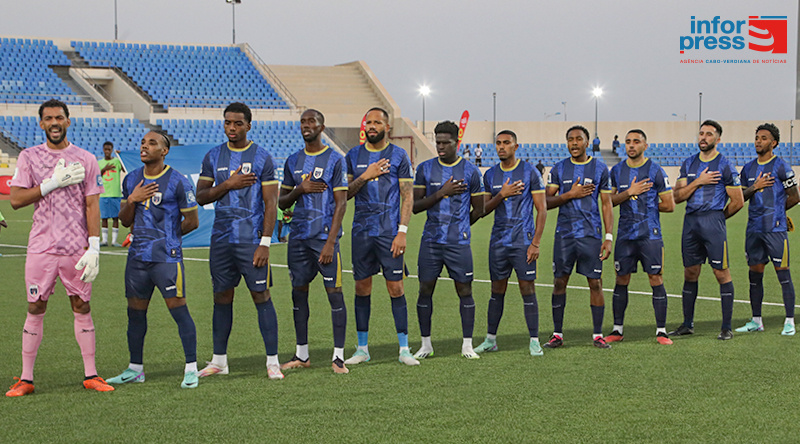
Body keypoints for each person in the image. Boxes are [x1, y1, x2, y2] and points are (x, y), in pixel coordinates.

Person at [6, 99, 113, 397]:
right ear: (41, 124)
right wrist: (51, 183)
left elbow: (92, 204)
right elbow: (15, 200)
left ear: (68, 121)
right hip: (41, 247)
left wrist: (94, 246)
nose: (54, 122)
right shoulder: (29, 157)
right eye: (49, 118)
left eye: (59, 118)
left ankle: (91, 374)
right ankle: (26, 379)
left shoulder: (86, 159)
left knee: (82, 306)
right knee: (36, 306)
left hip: (76, 248)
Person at [193, 102, 283, 380]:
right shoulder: (213, 156)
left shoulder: (262, 158)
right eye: (228, 123)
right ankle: (219, 360)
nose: (232, 128)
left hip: (251, 240)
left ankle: (273, 361)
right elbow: (201, 196)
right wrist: (228, 185)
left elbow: (271, 204)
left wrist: (265, 242)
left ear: (248, 125)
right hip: (221, 240)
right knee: (221, 296)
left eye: (238, 123)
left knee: (261, 296)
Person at [106, 130, 200, 389]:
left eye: (152, 143)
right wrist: (133, 200)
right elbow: (125, 220)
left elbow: (192, 221)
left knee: (179, 311)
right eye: (142, 143)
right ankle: (135, 369)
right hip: (137, 258)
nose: (145, 147)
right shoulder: (132, 179)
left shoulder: (179, 181)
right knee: (135, 314)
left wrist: (167, 238)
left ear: (164, 151)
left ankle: (191, 368)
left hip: (166, 260)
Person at [343, 107, 419, 366]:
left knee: (396, 288)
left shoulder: (398, 155)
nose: (371, 125)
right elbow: (345, 194)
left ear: (388, 127)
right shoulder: (353, 155)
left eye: (377, 122)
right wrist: (365, 176)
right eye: (368, 121)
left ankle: (404, 348)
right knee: (361, 288)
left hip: (389, 234)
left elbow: (408, 195)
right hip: (362, 233)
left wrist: (402, 231)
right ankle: (362, 349)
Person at [279, 109, 349, 374]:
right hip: (298, 239)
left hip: (323, 240)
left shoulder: (334, 160)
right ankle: (302, 354)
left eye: (312, 122)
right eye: (303, 122)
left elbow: (341, 204)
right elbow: (282, 202)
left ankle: (338, 357)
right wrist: (300, 189)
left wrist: (331, 242)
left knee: (335, 295)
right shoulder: (293, 160)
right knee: (298, 294)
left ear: (322, 127)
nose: (306, 126)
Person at [412, 120, 485, 359]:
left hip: (458, 243)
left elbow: (479, 209)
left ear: (457, 142)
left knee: (464, 289)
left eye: (446, 142)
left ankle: (466, 344)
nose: (440, 146)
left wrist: (461, 227)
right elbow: (415, 206)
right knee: (425, 289)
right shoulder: (424, 169)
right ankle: (426, 344)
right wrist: (441, 193)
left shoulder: (471, 171)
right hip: (431, 241)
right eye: (438, 142)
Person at [474, 130, 547, 356]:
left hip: (523, 242)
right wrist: (502, 194)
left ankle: (534, 340)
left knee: (527, 288)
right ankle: (490, 339)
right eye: (498, 143)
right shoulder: (490, 175)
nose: (501, 147)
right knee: (497, 290)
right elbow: (483, 210)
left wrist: (535, 243)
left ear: (516, 146)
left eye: (506, 143)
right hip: (498, 242)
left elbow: (542, 209)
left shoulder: (529, 171)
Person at [669, 120, 743, 340]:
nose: (703, 137)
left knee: (721, 273)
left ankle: (726, 327)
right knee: (690, 272)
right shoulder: (689, 164)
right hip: (691, 222)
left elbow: (737, 201)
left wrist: (719, 218)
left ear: (718, 139)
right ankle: (687, 324)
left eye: (709, 134)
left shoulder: (725, 165)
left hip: (713, 222)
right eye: (701, 133)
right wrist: (698, 182)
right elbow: (677, 197)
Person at [543, 125, 614, 349]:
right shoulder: (559, 168)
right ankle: (557, 334)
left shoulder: (600, 168)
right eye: (570, 140)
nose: (574, 143)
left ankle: (597, 335)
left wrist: (609, 236)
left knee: (595, 283)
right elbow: (545, 202)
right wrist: (570, 194)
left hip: (591, 236)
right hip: (564, 236)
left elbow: (606, 204)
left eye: (578, 139)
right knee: (559, 282)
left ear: (587, 142)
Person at [605, 130, 675, 345]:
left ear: (646, 145)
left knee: (655, 278)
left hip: (650, 235)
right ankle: (617, 329)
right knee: (621, 279)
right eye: (628, 142)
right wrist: (630, 192)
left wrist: (646, 205)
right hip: (625, 236)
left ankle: (661, 331)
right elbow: (609, 202)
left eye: (636, 142)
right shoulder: (616, 171)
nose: (631, 145)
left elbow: (669, 205)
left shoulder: (655, 170)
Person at [736, 123, 799, 335]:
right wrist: (755, 187)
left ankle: (789, 321)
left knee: (783, 275)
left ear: (774, 143)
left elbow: (795, 196)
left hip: (775, 230)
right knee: (755, 275)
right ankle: (756, 321)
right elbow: (740, 197)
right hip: (754, 229)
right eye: (757, 137)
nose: (758, 141)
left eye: (763, 138)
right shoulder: (748, 169)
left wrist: (779, 214)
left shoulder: (781, 166)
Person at [98, 141, 126, 247]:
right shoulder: (99, 163)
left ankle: (114, 241)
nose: (107, 152)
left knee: (115, 218)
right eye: (105, 149)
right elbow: (97, 176)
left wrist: (120, 157)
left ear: (112, 150)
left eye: (109, 150)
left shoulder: (116, 162)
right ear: (103, 150)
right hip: (104, 194)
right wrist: (104, 170)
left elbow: (124, 168)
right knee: (104, 218)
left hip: (116, 194)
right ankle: (104, 240)